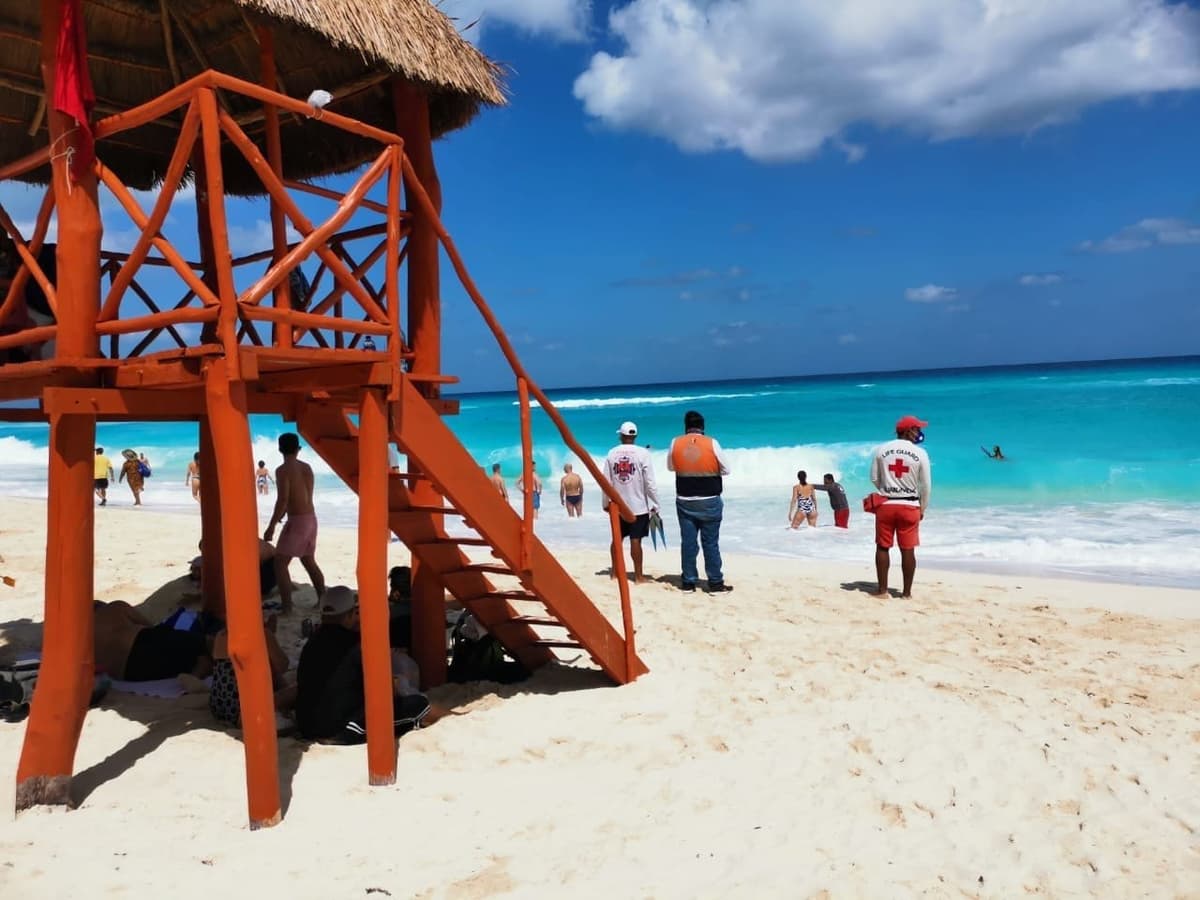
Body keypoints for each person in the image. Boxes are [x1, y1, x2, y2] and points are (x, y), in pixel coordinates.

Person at [294, 586, 430, 743]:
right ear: (351, 614)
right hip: (340, 728)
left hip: (306, 725)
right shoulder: (356, 645)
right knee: (419, 706)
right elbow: (387, 691)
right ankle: (455, 719)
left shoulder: (311, 644)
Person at [667, 410, 732, 593]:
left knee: (688, 542)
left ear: (686, 427)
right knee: (710, 542)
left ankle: (688, 582)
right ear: (702, 427)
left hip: (685, 499)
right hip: (709, 499)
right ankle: (715, 583)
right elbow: (727, 469)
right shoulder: (712, 443)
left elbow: (671, 467)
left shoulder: (675, 442)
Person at [869, 414, 933, 599]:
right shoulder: (920, 453)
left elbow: (874, 477)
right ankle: (906, 593)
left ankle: (882, 591)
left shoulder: (881, 450)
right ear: (908, 431)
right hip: (909, 505)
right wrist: (923, 507)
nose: (919, 433)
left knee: (882, 547)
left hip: (886, 504)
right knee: (908, 549)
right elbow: (926, 485)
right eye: (917, 429)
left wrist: (888, 489)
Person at [264, 432, 326, 612]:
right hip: (311, 519)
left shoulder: (282, 470)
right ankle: (322, 597)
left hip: (297, 521)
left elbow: (283, 499)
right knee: (308, 560)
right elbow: (304, 496)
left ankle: (287, 606)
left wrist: (271, 526)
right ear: (298, 449)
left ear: (280, 449)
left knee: (280, 563)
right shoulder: (307, 467)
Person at [93, 600, 212, 682]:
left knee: (172, 660)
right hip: (141, 643)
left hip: (129, 674)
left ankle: (198, 667)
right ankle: (202, 664)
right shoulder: (115, 607)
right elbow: (150, 626)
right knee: (206, 642)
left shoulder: (81, 638)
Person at [603, 421, 659, 584]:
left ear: (621, 435)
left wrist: (605, 503)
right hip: (639, 506)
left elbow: (606, 481)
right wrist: (655, 504)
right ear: (635, 436)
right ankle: (638, 576)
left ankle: (614, 573)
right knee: (636, 540)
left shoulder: (612, 453)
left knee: (616, 539)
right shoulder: (643, 453)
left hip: (617, 505)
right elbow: (650, 483)